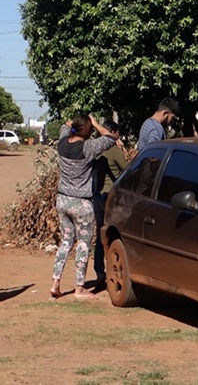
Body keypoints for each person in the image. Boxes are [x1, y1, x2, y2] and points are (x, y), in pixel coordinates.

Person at [50, 113, 115, 300]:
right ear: (87, 130)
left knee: (65, 241)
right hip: (81, 203)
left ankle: (55, 283)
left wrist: (78, 122)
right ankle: (79, 288)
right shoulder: (89, 147)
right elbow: (110, 137)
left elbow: (65, 124)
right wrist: (95, 122)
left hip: (62, 200)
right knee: (84, 244)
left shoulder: (62, 143)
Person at [91, 120, 128, 291]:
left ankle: (99, 273)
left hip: (96, 197)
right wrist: (122, 150)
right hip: (110, 198)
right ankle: (116, 273)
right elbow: (128, 171)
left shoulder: (95, 150)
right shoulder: (113, 151)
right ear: (114, 132)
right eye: (118, 134)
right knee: (115, 237)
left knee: (99, 237)